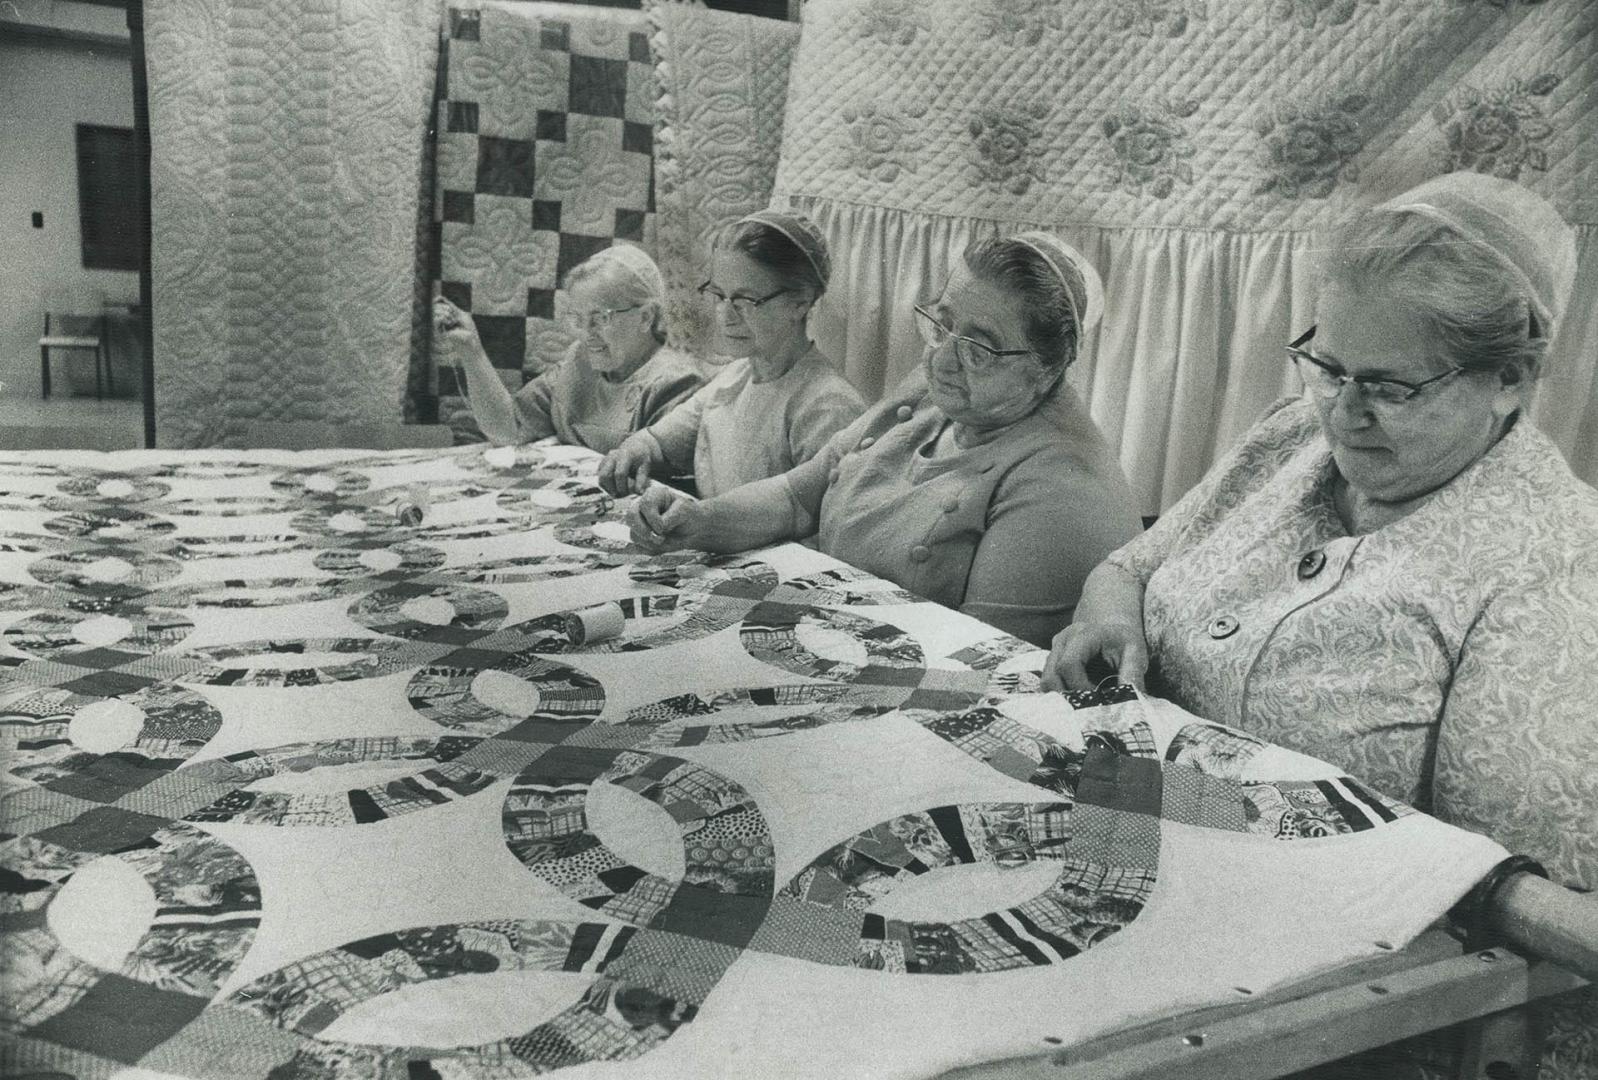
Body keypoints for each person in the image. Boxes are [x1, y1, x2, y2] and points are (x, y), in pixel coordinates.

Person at [1041, 173, 1598, 894]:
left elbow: (1513, 894)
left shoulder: (1556, 561)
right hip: (1118, 831)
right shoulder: (1290, 436)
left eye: (1392, 388)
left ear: (1511, 379)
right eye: (1329, 367)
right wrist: (1109, 624)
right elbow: (1129, 567)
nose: (1343, 411)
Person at [627, 231, 1141, 648]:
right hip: (831, 645)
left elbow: (983, 661)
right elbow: (797, 498)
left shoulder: (1061, 484)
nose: (940, 359)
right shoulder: (937, 394)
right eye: (941, 325)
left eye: (978, 350)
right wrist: (699, 520)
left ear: (1047, 369)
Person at [597, 211, 864, 499]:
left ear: (799, 303)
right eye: (718, 294)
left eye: (746, 299)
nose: (725, 315)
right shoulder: (736, 377)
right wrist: (633, 451)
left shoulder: (828, 407)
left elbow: (815, 521)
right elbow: (659, 442)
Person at [433, 244, 702, 452]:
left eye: (601, 318)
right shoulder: (580, 363)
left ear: (646, 316)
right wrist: (472, 349)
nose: (587, 334)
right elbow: (508, 429)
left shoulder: (676, 383)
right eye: (578, 319)